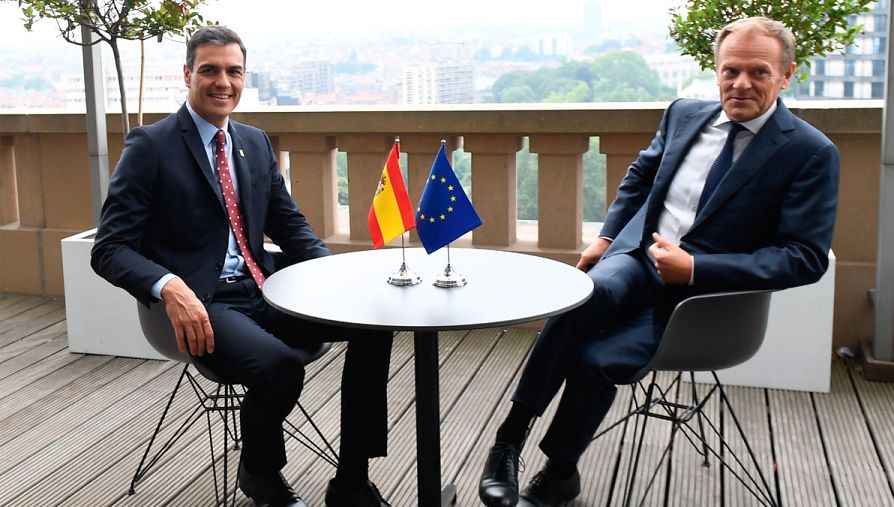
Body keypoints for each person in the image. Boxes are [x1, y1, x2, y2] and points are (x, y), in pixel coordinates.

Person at [478, 16, 839, 507]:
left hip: (702, 301)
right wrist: (606, 238)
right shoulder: (684, 115)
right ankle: (508, 442)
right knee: (582, 298)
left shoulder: (809, 153)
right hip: (636, 259)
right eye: (731, 70)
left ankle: (560, 472)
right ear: (716, 71)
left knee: (594, 360)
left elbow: (804, 258)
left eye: (758, 72)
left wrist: (696, 269)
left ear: (787, 74)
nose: (741, 84)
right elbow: (640, 177)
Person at [91, 26, 392, 507]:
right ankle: (260, 473)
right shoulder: (151, 146)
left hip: (264, 290)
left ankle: (352, 478)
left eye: (233, 71)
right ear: (187, 74)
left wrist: (335, 281)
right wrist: (169, 287)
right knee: (280, 366)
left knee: (373, 325)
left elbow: (291, 228)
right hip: (203, 304)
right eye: (209, 70)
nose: (222, 82)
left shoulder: (252, 142)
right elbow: (108, 248)